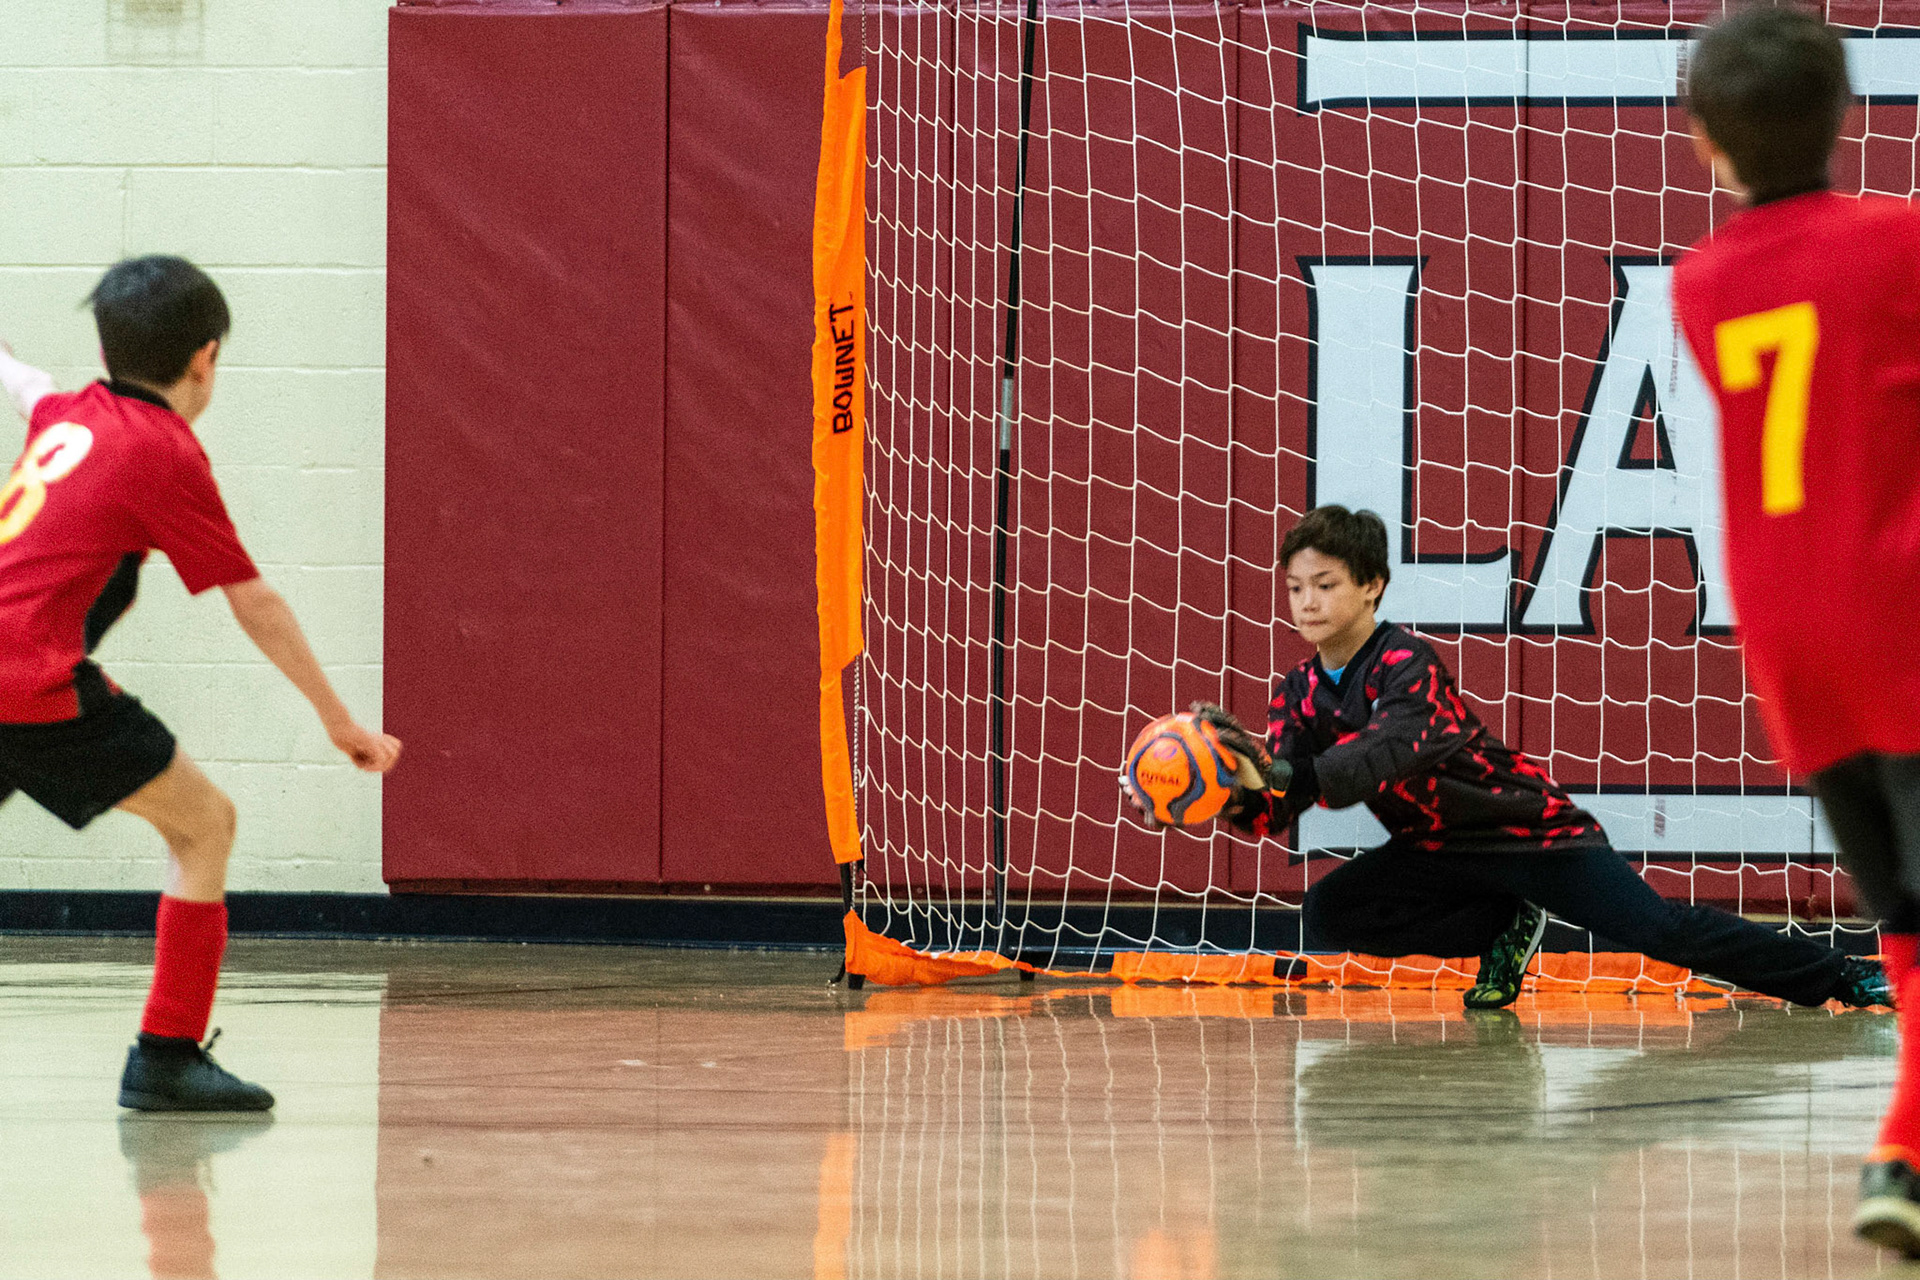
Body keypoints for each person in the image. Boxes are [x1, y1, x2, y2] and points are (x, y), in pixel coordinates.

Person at [1124, 505, 1885, 1013]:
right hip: (1436, 849)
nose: (1307, 602)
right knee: (1330, 911)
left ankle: (1846, 978)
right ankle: (1504, 927)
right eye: (1295, 588)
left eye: (1325, 585)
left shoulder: (1407, 663)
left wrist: (1282, 772)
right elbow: (1279, 803)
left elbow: (1380, 757)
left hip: (1530, 833)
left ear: (1373, 586)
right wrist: (1215, 794)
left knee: (1659, 931)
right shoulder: (1296, 691)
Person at [0, 255, 401, 1111]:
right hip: (28, 684)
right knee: (205, 826)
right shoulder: (163, 451)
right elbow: (254, 602)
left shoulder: (71, 413)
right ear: (206, 357)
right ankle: (167, 1055)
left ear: (106, 351)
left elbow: (23, 382)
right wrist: (341, 723)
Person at [1671, 4, 1920, 1256]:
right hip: (1901, 616)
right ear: (1846, 116)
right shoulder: (1896, 243)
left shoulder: (1702, 284)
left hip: (1792, 642)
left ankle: (1908, 1154)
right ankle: (1905, 1152)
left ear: (1706, 143)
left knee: (1905, 914)